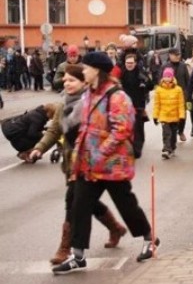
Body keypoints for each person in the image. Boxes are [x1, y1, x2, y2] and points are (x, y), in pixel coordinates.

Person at [52, 52, 159, 274]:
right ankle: (78, 255)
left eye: (86, 68)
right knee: (79, 206)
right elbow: (82, 122)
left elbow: (121, 130)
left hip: (112, 165)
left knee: (126, 205)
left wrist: (100, 152)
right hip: (89, 165)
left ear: (97, 70)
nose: (83, 71)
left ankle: (149, 238)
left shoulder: (117, 96)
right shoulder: (90, 94)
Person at [28, 64, 127, 264]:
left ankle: (66, 248)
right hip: (71, 163)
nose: (67, 83)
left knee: (72, 202)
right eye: (65, 80)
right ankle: (115, 227)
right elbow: (54, 129)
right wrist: (39, 148)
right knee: (84, 201)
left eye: (72, 80)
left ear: (84, 82)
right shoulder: (63, 104)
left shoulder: (92, 102)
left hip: (89, 162)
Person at [119, 53, 154, 159]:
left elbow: (151, 86)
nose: (129, 65)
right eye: (127, 63)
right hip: (124, 106)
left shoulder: (141, 73)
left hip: (138, 105)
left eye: (131, 63)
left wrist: (145, 83)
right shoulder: (122, 74)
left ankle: (137, 149)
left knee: (138, 128)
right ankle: (128, 148)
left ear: (135, 63)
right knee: (126, 128)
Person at [153, 67, 186, 159]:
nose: (167, 78)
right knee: (166, 133)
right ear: (162, 77)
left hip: (174, 116)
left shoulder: (178, 89)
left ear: (172, 77)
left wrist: (181, 116)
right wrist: (155, 116)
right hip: (164, 116)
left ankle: (172, 147)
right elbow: (157, 104)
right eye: (165, 76)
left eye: (169, 76)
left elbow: (180, 104)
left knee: (173, 135)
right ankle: (166, 149)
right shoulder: (159, 90)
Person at [164, 48, 190, 141]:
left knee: (182, 115)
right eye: (175, 55)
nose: (178, 56)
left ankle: (181, 131)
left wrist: (188, 94)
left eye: (179, 54)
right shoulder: (165, 66)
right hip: (169, 95)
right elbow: (160, 80)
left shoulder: (183, 66)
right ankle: (172, 133)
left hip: (182, 94)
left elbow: (188, 81)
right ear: (170, 55)